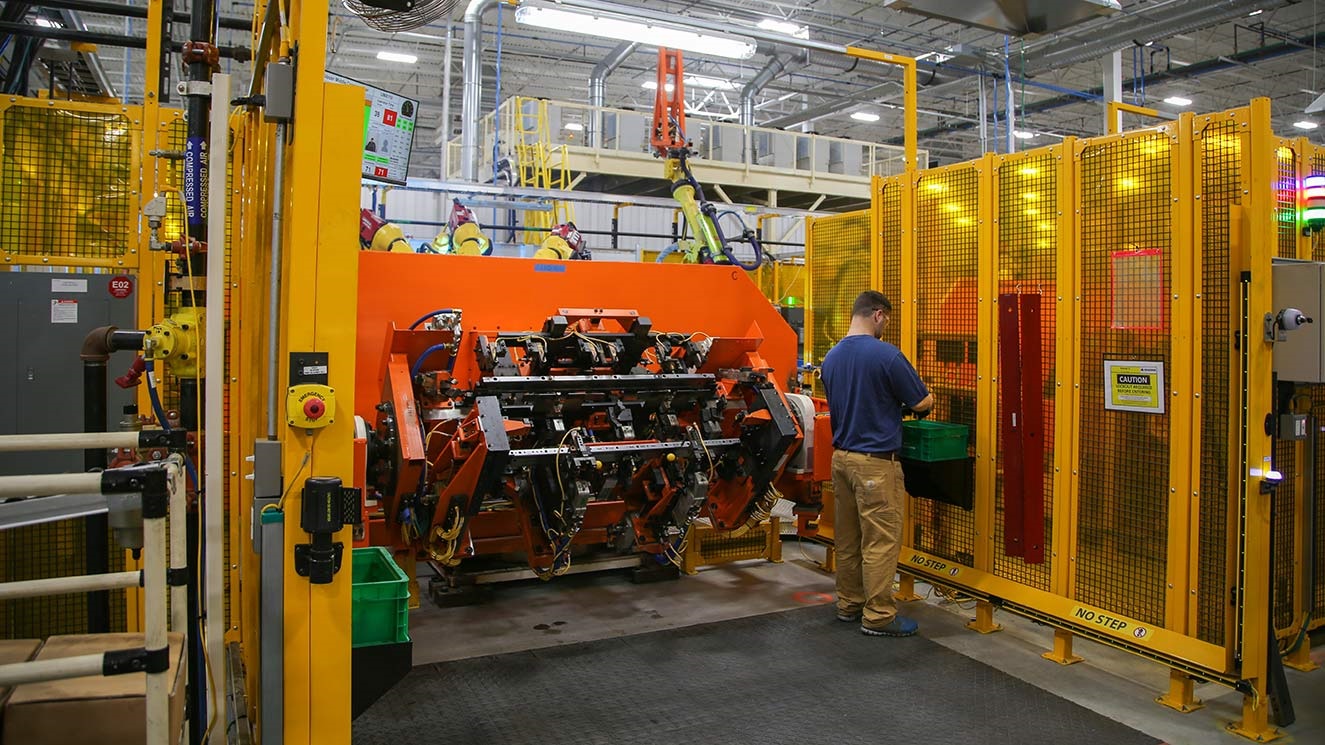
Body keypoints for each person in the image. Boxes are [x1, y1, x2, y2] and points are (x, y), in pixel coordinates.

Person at [819, 290, 934, 637]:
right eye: (888, 320)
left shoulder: (832, 357)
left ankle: (849, 603)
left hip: (841, 461)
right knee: (880, 542)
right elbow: (922, 402)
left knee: (849, 539)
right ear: (879, 315)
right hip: (875, 464)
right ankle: (880, 615)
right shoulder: (887, 356)